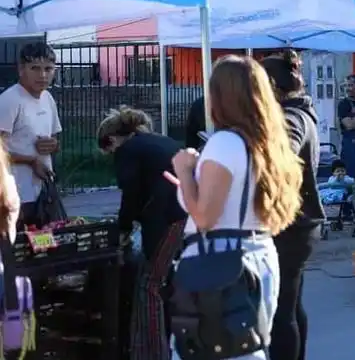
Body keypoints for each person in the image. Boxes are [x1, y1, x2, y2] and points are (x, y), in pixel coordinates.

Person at [166, 55, 303, 360]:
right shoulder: (269, 145)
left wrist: (185, 170)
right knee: (246, 349)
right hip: (259, 255)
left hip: (220, 263)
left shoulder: (225, 143)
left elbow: (204, 216)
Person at [97, 107, 186, 360]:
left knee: (150, 285)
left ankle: (151, 352)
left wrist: (123, 229)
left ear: (111, 140)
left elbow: (131, 195)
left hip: (169, 218)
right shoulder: (159, 142)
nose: (111, 155)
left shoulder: (128, 150)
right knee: (166, 280)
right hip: (187, 214)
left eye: (108, 150)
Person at [262, 51, 325, 360]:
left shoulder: (290, 117)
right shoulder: (300, 110)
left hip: (292, 223)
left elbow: (283, 151)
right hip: (300, 221)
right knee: (290, 303)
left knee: (280, 309)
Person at [0, 42, 61, 222]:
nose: (42, 75)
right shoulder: (9, 100)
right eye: (35, 68)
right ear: (21, 69)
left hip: (42, 193)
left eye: (48, 69)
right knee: (16, 248)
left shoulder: (48, 98)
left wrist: (53, 145)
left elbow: (54, 139)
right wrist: (31, 161)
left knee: (43, 245)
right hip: (13, 194)